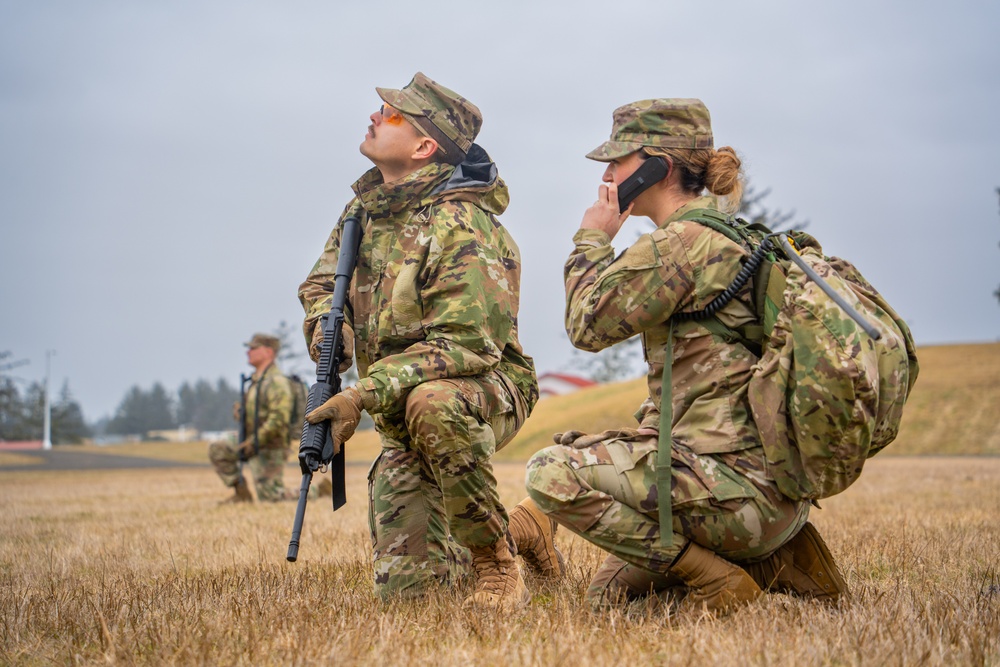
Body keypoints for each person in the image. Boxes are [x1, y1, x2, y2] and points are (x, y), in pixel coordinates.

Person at [524, 99, 847, 616]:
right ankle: (778, 561)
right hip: (770, 495)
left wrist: (593, 237)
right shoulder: (734, 237)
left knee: (548, 472)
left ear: (659, 167)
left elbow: (586, 325)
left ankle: (717, 579)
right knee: (608, 598)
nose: (607, 174)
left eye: (618, 161)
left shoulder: (678, 247)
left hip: (734, 493)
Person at [298, 73, 556, 610]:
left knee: (432, 403)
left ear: (423, 147)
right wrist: (329, 327)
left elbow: (464, 345)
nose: (375, 116)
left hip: (481, 387)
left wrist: (361, 395)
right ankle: (526, 528)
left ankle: (496, 563)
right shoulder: (364, 212)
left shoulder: (464, 224)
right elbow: (322, 283)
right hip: (402, 408)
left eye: (392, 115)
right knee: (413, 598)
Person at [209, 333, 295, 503]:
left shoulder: (276, 382)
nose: (249, 352)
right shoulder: (257, 381)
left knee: (271, 497)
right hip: (252, 441)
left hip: (270, 446)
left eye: (254, 348)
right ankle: (241, 493)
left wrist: (254, 442)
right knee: (219, 448)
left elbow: (278, 419)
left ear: (269, 352)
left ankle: (319, 491)